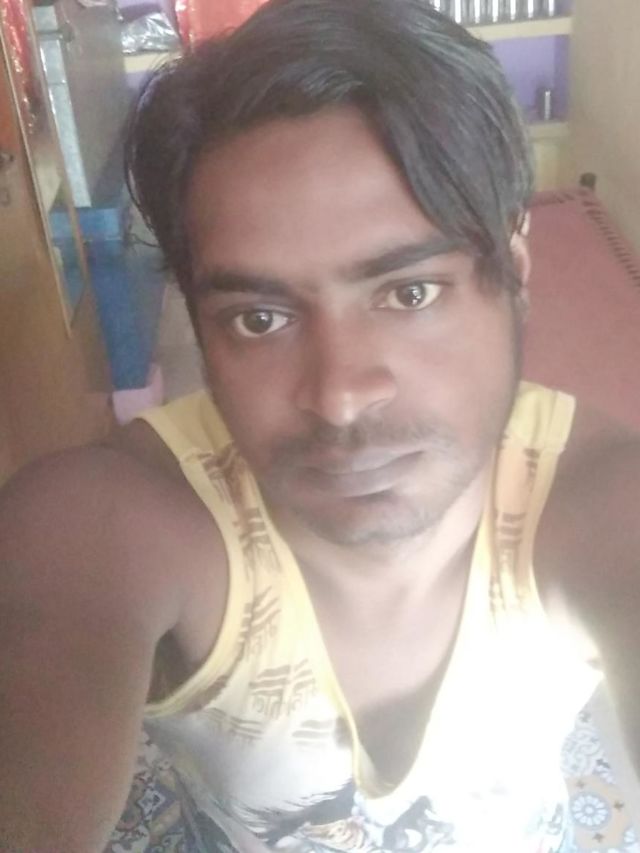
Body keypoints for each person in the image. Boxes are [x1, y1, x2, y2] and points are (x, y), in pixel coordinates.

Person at [1, 0, 639, 850]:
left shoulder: (604, 502)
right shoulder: (110, 518)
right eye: (260, 318)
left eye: (409, 293)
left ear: (513, 276)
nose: (338, 395)